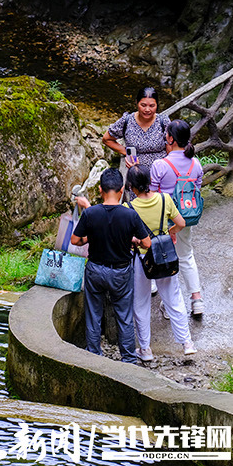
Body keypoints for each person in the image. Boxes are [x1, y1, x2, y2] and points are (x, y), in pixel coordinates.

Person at [71, 168, 152, 363]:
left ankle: (94, 355)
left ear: (100, 190)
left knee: (94, 314)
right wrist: (133, 240)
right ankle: (129, 360)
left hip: (96, 269)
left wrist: (90, 238)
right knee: (124, 317)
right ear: (122, 189)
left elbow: (75, 240)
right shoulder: (130, 215)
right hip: (121, 271)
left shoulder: (90, 213)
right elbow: (147, 243)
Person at [125, 167, 196, 359]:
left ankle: (146, 349)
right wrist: (170, 233)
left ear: (131, 187)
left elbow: (126, 235)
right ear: (149, 181)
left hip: (142, 259)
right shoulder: (165, 199)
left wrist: (136, 240)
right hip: (165, 256)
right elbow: (181, 223)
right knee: (174, 299)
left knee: (141, 302)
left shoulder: (128, 208)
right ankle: (187, 343)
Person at [150, 119, 206, 318]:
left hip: (164, 221)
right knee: (187, 256)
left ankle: (170, 304)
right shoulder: (196, 164)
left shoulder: (160, 165)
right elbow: (196, 191)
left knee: (167, 260)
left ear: (170, 138)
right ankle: (197, 300)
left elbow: (152, 196)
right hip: (186, 218)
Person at [103, 86, 169, 173]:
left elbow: (171, 146)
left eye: (152, 106)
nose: (147, 110)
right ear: (137, 103)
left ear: (157, 105)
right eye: (143, 105)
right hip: (135, 173)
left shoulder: (163, 121)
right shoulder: (127, 120)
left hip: (161, 171)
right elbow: (106, 139)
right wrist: (127, 152)